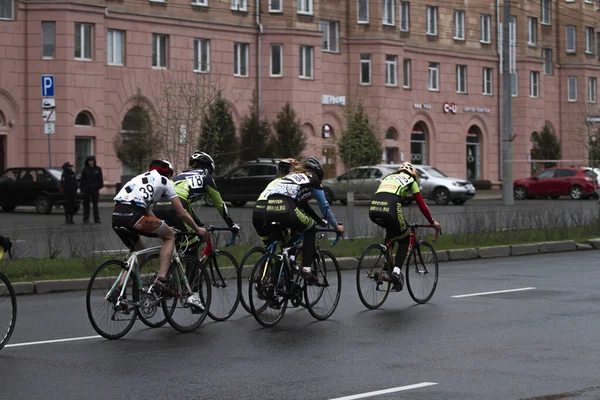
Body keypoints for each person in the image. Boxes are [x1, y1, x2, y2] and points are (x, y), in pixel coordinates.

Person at [112, 159, 208, 310]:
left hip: (117, 216)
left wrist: (162, 224)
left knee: (138, 254)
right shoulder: (166, 182)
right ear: (169, 173)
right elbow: (182, 213)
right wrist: (197, 229)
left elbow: (149, 212)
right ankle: (161, 280)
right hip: (133, 215)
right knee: (169, 237)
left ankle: (118, 292)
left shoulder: (139, 179)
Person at [264, 157, 344, 284]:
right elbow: (325, 207)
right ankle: (306, 268)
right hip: (286, 207)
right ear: (318, 173)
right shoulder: (313, 178)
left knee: (286, 247)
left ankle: (273, 286)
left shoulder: (293, 175)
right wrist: (336, 226)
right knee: (310, 228)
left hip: (268, 209)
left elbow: (303, 206)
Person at [369, 162, 441, 291]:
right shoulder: (411, 180)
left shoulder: (388, 177)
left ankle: (387, 264)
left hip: (373, 209)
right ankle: (396, 272)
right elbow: (421, 204)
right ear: (413, 174)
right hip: (390, 208)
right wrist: (432, 222)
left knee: (391, 233)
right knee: (404, 239)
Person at [153, 151, 240, 257]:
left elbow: (186, 207)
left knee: (177, 243)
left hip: (158, 207)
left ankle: (172, 271)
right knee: (192, 241)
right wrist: (231, 224)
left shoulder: (181, 175)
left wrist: (200, 225)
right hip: (176, 208)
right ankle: (191, 273)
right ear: (209, 167)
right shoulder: (205, 176)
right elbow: (220, 204)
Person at [252, 158, 299, 245]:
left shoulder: (273, 181)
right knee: (287, 243)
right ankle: (286, 254)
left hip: (257, 211)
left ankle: (268, 257)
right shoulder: (290, 182)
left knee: (269, 246)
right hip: (271, 210)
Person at [81, 155, 103, 224]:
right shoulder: (85, 169)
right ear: (87, 162)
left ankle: (97, 219)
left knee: (95, 205)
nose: (91, 162)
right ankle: (86, 219)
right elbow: (82, 180)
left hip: (95, 190)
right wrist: (83, 189)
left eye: (92, 161)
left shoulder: (98, 169)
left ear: (94, 161)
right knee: (86, 205)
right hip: (87, 190)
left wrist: (98, 186)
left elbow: (100, 180)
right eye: (89, 161)